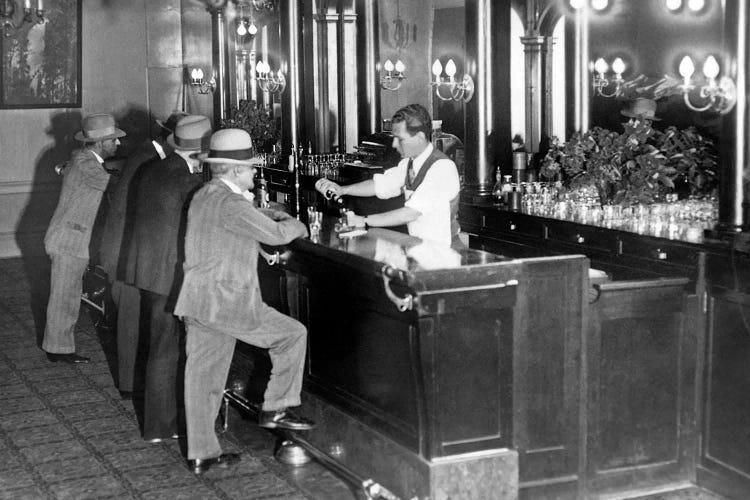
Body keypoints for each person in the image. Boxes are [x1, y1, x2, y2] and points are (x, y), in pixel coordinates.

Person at [174, 128, 315, 475]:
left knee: (202, 379)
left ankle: (201, 454)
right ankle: (277, 406)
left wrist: (269, 214)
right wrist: (299, 224)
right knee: (292, 334)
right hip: (227, 302)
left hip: (197, 301)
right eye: (251, 168)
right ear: (236, 171)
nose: (255, 172)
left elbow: (243, 223)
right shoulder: (232, 203)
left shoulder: (205, 194)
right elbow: (279, 235)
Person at [130, 114, 211, 442]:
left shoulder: (157, 169)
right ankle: (163, 426)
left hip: (150, 270)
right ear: (199, 153)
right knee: (168, 349)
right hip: (169, 274)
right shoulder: (186, 182)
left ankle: (160, 423)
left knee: (161, 346)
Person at [98, 110, 187, 395]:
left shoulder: (152, 154)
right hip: (126, 249)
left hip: (135, 248)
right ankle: (129, 386)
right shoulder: (149, 158)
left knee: (137, 321)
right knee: (130, 321)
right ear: (173, 139)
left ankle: (137, 384)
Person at [315, 103, 462, 247]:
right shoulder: (408, 163)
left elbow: (411, 213)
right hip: (420, 247)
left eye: (400, 139)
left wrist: (364, 220)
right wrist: (342, 189)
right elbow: (380, 185)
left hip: (444, 250)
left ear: (420, 137)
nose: (394, 145)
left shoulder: (442, 167)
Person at [42, 113, 126, 364]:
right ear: (101, 143)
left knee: (68, 292)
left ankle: (59, 347)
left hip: (72, 237)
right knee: (64, 295)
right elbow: (112, 184)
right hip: (69, 239)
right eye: (114, 140)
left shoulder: (85, 159)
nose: (118, 144)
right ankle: (57, 350)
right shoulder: (85, 162)